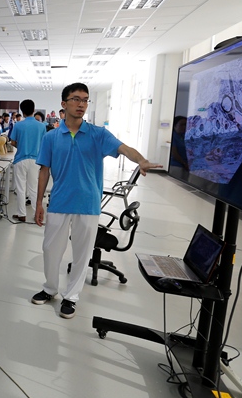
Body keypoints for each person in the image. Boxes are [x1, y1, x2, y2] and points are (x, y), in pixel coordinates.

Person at [33, 83, 159, 319]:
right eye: (76, 99)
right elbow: (44, 171)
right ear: (64, 104)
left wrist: (140, 160)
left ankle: (71, 296)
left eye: (85, 100)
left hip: (88, 203)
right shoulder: (51, 137)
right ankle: (50, 289)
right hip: (59, 201)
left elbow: (124, 148)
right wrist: (39, 203)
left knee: (82, 254)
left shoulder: (98, 134)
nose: (81, 104)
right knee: (50, 249)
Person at [10, 100, 46, 223]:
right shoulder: (41, 126)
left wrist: (21, 146)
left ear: (22, 111)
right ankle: (37, 214)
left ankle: (22, 214)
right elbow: (44, 144)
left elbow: (13, 142)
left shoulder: (18, 125)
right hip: (36, 160)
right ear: (34, 110)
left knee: (20, 188)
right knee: (33, 188)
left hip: (20, 159)